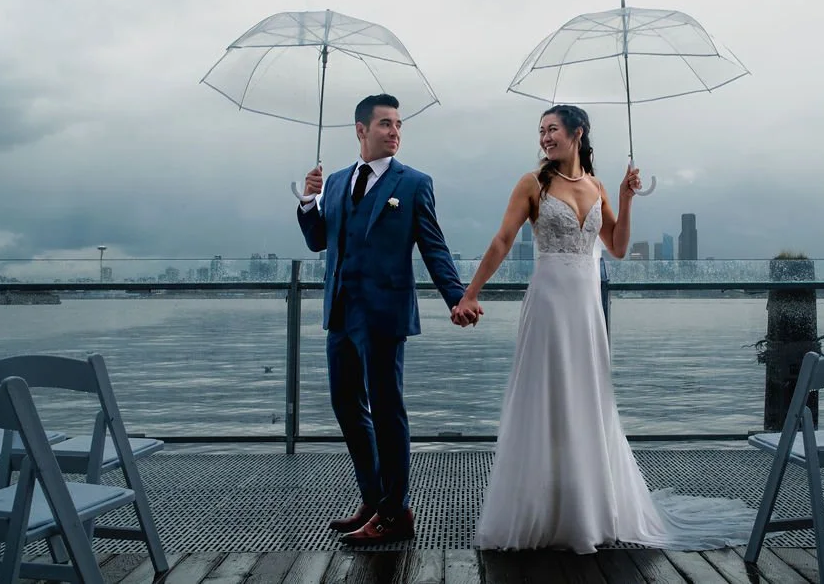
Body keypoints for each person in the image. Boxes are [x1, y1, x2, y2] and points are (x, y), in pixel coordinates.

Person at [453, 104, 755, 554]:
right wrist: (470, 293)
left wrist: (625, 197)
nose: (544, 138)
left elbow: (615, 247)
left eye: (552, 129)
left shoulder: (595, 187)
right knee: (547, 397)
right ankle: (543, 510)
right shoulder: (532, 183)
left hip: (586, 309)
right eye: (540, 131)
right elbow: (502, 240)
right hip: (549, 305)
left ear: (577, 133)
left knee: (588, 399)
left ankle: (589, 508)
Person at [297, 93, 481, 546]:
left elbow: (433, 246)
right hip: (340, 310)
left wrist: (456, 297)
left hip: (384, 314)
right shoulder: (336, 183)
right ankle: (375, 497)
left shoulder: (414, 183)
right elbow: (319, 242)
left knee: (386, 409)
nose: (395, 131)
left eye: (398, 124)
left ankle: (395, 513)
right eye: (385, 124)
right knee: (346, 406)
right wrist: (308, 201)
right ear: (360, 130)